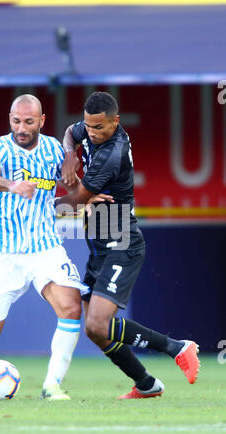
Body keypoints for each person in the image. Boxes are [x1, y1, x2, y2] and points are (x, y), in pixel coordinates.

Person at [56, 91, 200, 399]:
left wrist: (42, 202)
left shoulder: (113, 153)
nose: (92, 134)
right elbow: (71, 132)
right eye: (89, 126)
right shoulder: (91, 129)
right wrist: (71, 153)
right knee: (95, 330)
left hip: (120, 238)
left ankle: (176, 348)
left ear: (116, 122)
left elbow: (69, 204)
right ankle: (146, 384)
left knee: (98, 322)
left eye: (99, 128)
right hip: (98, 235)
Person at [0, 94, 89, 400]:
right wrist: (12, 185)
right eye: (16, 120)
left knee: (71, 307)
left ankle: (52, 385)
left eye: (29, 122)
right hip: (6, 252)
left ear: (41, 121)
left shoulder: (53, 151)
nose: (21, 127)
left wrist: (81, 182)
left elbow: (71, 186)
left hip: (46, 247)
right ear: (10, 118)